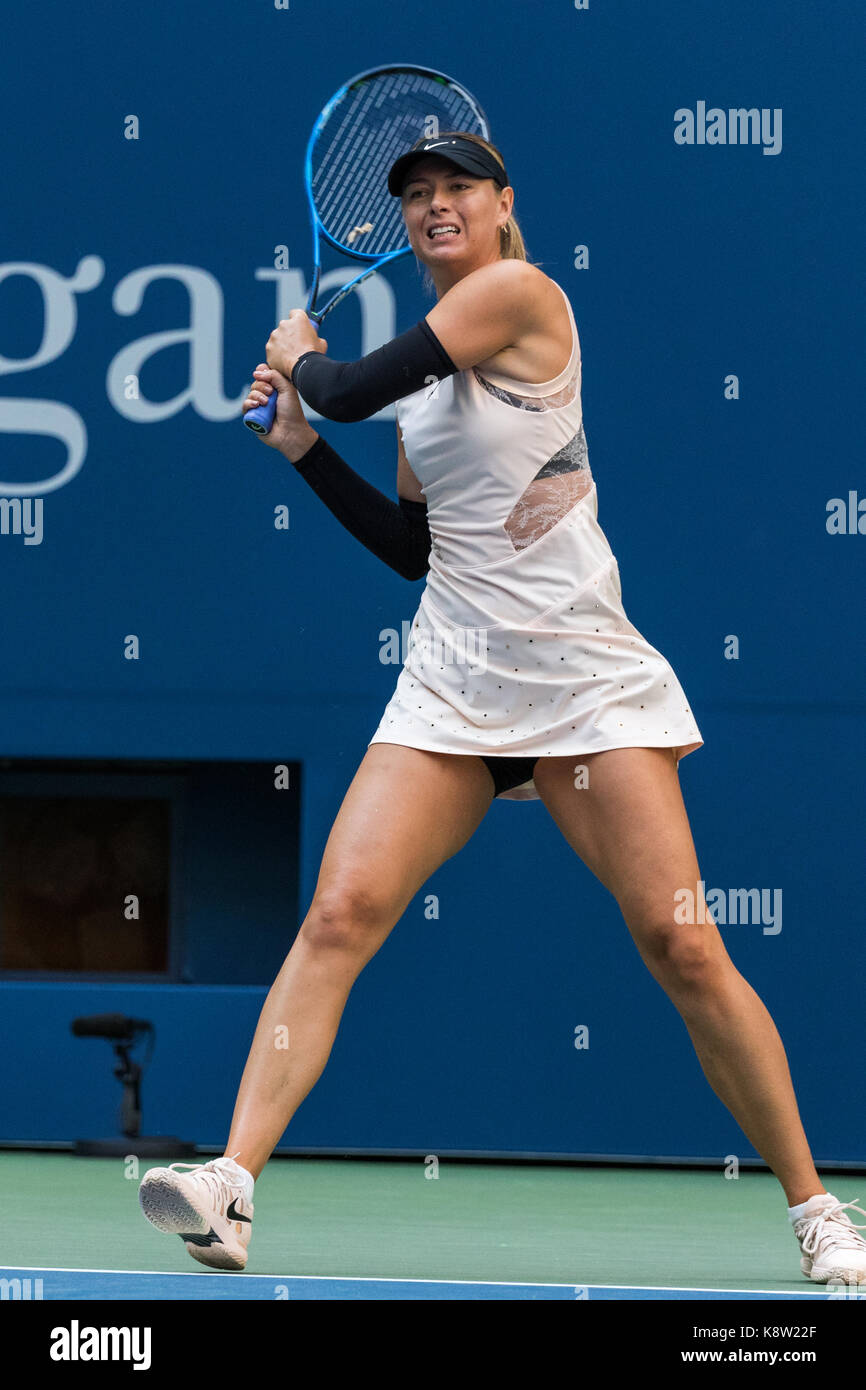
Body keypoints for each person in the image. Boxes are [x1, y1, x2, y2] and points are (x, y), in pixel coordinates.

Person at [139, 132, 866, 1286]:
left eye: (455, 189)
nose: (434, 206)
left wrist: (300, 360)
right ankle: (229, 1182)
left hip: (586, 686)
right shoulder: (428, 397)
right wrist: (302, 453)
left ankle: (818, 1208)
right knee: (339, 914)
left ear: (500, 204)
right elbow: (413, 549)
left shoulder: (519, 295)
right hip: (451, 686)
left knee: (680, 943)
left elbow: (351, 382)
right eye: (416, 195)